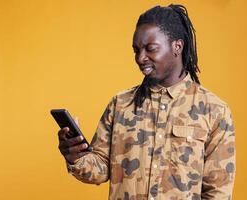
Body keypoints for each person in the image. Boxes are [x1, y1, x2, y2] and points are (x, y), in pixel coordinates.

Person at [57, 4, 236, 200]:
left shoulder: (214, 110)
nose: (141, 58)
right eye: (136, 50)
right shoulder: (120, 105)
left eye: (150, 49)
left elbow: (217, 192)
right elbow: (101, 169)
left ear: (177, 46)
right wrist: (76, 157)